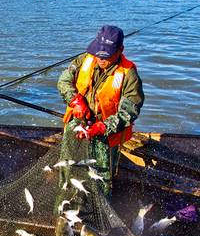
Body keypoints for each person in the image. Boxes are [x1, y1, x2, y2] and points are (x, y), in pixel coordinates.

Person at [57, 25, 144, 198]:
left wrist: (103, 127)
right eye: (98, 53)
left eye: (107, 56)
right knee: (68, 165)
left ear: (120, 50)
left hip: (106, 133)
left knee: (102, 175)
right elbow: (63, 81)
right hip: (78, 125)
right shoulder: (84, 60)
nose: (101, 59)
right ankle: (66, 199)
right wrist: (75, 101)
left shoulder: (128, 74)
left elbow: (130, 110)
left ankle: (100, 205)